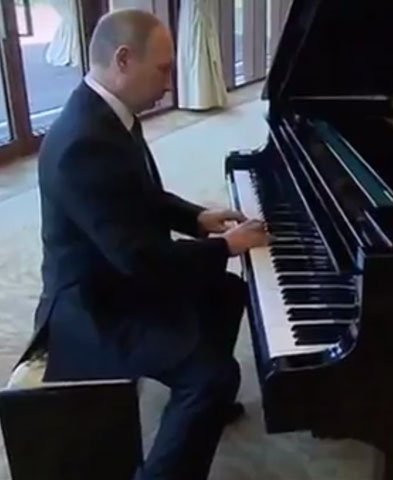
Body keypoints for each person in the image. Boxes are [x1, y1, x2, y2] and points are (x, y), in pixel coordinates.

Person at [26, 8, 268, 480]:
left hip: (118, 276)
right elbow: (140, 261)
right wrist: (226, 246)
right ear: (123, 60)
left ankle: (200, 405)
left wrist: (197, 219)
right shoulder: (83, 142)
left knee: (228, 292)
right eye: (162, 68)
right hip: (92, 307)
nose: (169, 80)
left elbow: (142, 194)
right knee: (212, 377)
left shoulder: (109, 112)